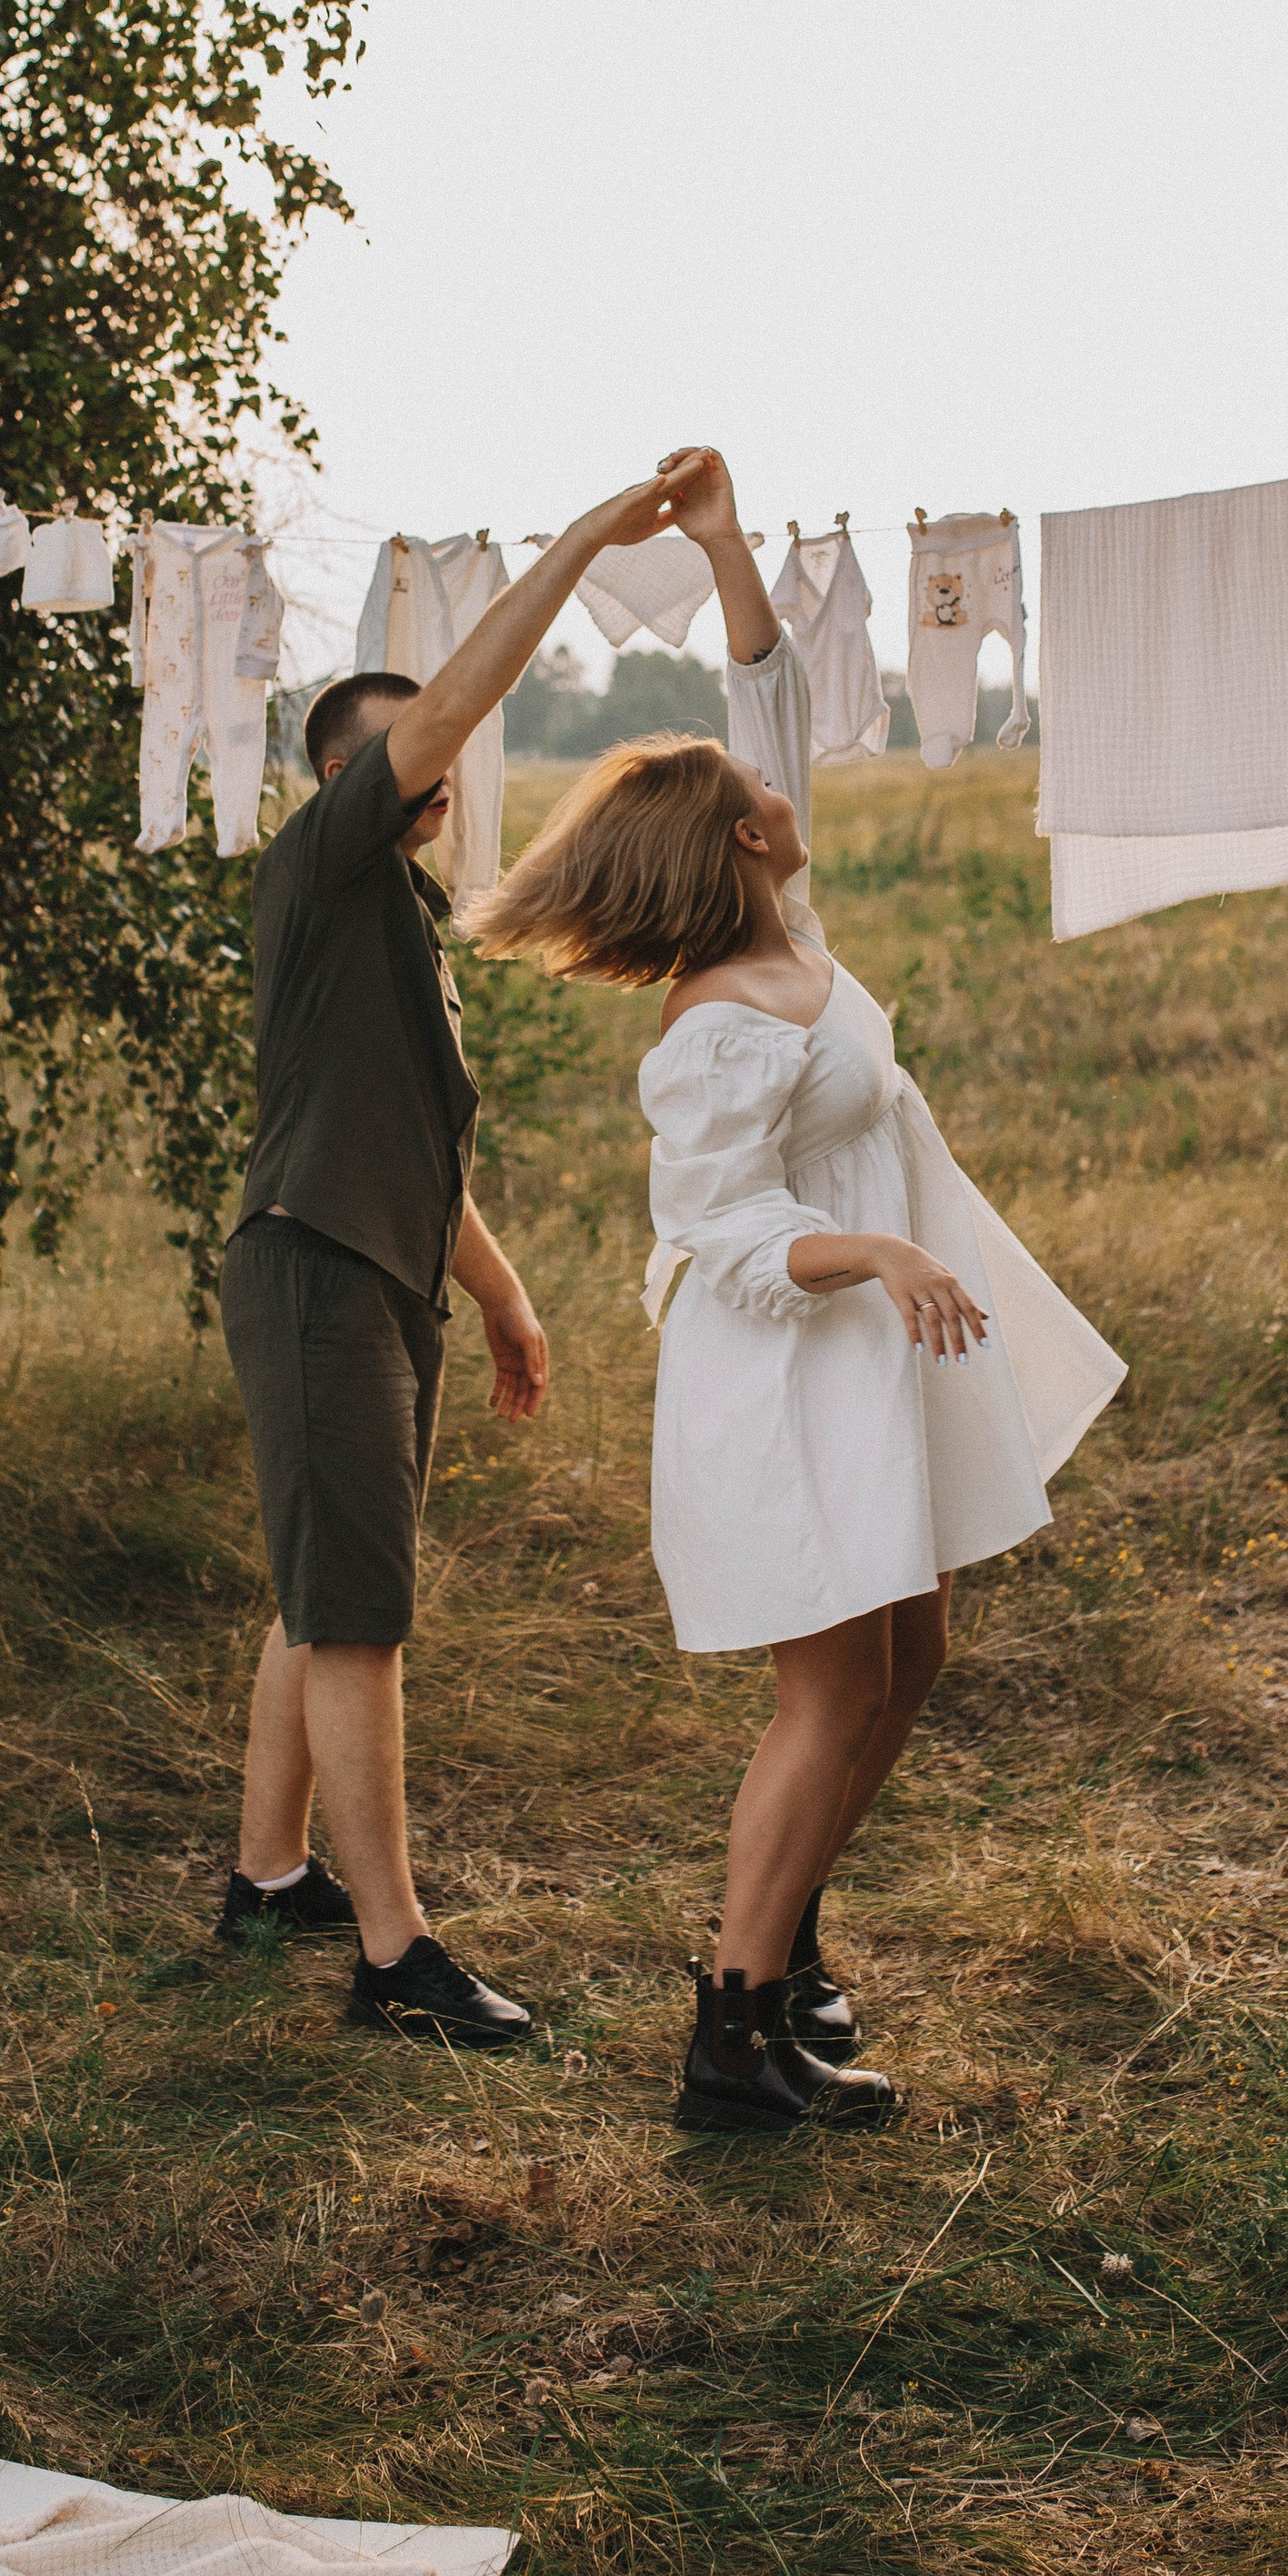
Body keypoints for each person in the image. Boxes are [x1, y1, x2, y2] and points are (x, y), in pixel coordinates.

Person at [474, 450, 1125, 2132]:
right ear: (736, 842)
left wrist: (720, 541)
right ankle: (733, 2036)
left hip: (857, 1360)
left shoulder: (789, 920)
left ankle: (788, 1940)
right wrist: (887, 1251)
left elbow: (764, 703)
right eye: (743, 786)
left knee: (912, 1651)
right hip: (781, 1371)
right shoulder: (718, 1029)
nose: (769, 782)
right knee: (833, 1684)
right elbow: (727, 1229)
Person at [214, 459, 716, 2050]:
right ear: (348, 778)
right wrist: (581, 544)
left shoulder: (399, 931)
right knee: (357, 1612)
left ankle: (268, 1880)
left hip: (372, 1270)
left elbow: (415, 1148)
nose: (434, 775)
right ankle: (392, 1959)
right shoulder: (319, 865)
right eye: (405, 755)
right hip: (312, 1272)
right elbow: (453, 705)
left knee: (321, 1585)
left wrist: (496, 1294)